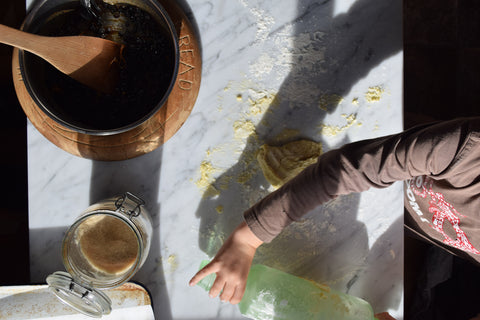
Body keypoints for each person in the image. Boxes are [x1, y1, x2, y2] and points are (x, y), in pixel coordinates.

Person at [189, 117, 480, 314]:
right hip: (410, 199)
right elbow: (350, 168)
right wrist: (247, 238)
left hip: (429, 234)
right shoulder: (467, 150)